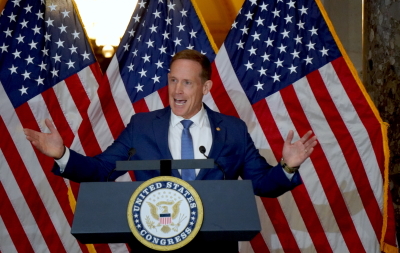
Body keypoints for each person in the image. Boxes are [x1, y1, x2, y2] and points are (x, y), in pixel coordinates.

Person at [24, 49, 317, 251]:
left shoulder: (232, 130)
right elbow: (102, 169)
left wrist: (287, 167)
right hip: (155, 245)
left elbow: (262, 183)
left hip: (213, 247)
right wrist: (63, 154)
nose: (177, 90)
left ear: (206, 87)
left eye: (187, 83)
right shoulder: (142, 126)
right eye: (173, 80)